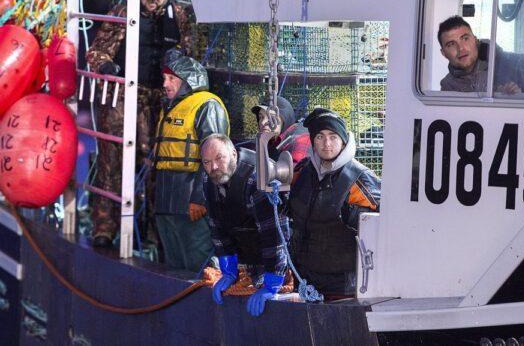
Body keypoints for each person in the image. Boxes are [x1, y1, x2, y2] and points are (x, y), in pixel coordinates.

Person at [86, 0, 193, 247]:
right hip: (123, 96)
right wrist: (107, 66)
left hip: (159, 98)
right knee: (112, 162)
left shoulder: (178, 18)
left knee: (155, 164)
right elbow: (96, 52)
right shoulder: (123, 13)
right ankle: (104, 228)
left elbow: (190, 55)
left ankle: (152, 234)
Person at [288, 108, 381, 298]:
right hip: (304, 281)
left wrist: (355, 218)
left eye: (333, 136)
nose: (326, 144)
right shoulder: (302, 171)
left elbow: (385, 227)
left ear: (343, 140)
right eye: (320, 137)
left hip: (343, 289)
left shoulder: (360, 179)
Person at [153, 51, 229, 272]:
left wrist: (199, 198)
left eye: (172, 79)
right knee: (174, 263)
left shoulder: (206, 105)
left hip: (191, 201)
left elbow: (215, 157)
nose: (165, 84)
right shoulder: (170, 108)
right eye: (164, 78)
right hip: (167, 201)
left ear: (188, 80)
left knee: (199, 263)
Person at [200, 133, 289, 316]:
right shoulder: (208, 180)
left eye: (219, 158)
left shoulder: (257, 178)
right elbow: (217, 226)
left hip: (279, 260)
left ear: (233, 153)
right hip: (246, 261)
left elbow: (275, 234)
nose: (214, 167)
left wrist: (273, 281)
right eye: (207, 162)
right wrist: (228, 269)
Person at [438, 15, 524, 94]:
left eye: (465, 38)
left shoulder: (519, 64)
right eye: (451, 44)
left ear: (475, 40)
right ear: (443, 53)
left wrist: (519, 100)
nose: (461, 48)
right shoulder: (447, 86)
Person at [251, 96, 311, 166]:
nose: (262, 122)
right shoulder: (271, 139)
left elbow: (296, 173)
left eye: (271, 117)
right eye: (261, 117)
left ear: (285, 118)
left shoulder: (300, 138)